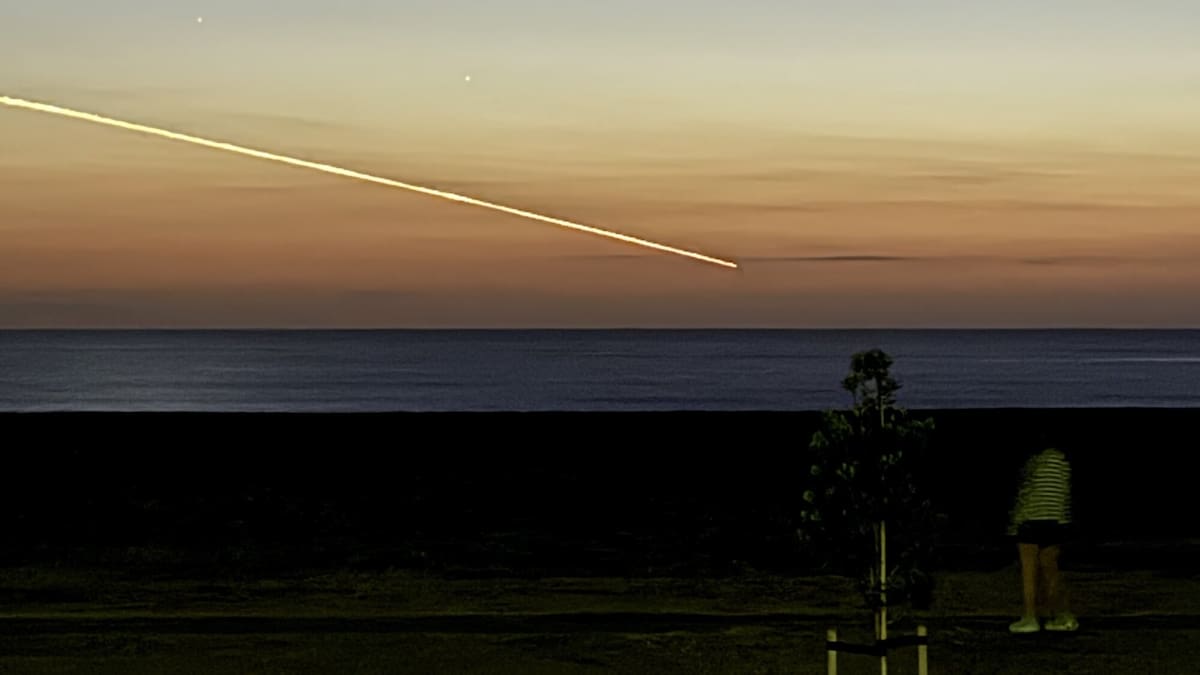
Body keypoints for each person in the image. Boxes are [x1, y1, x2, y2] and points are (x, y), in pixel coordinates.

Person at [1006, 434, 1078, 633]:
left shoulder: (1032, 461)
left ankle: (1030, 616)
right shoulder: (1062, 461)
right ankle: (1061, 614)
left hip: (1032, 518)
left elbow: (1026, 492)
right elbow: (1064, 495)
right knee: (1051, 570)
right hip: (1054, 521)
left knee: (1029, 569)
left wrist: (1015, 522)